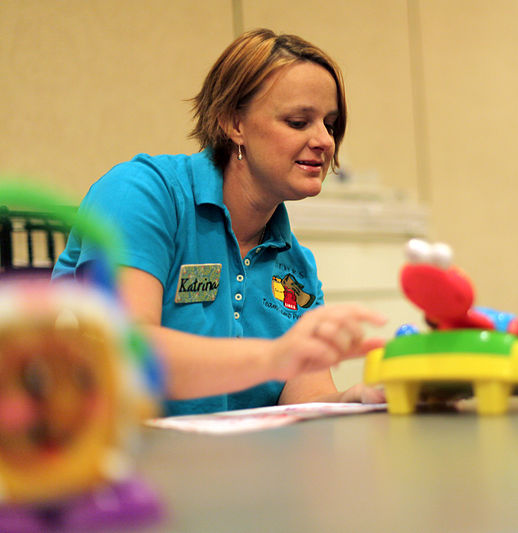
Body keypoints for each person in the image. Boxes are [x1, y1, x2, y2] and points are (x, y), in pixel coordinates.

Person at [52, 29, 387, 416]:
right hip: (118, 464)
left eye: (330, 124)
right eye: (298, 122)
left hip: (231, 471)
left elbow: (305, 398)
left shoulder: (296, 263)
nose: (325, 141)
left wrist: (356, 398)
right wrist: (273, 357)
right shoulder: (141, 193)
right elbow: (128, 350)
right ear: (233, 122)